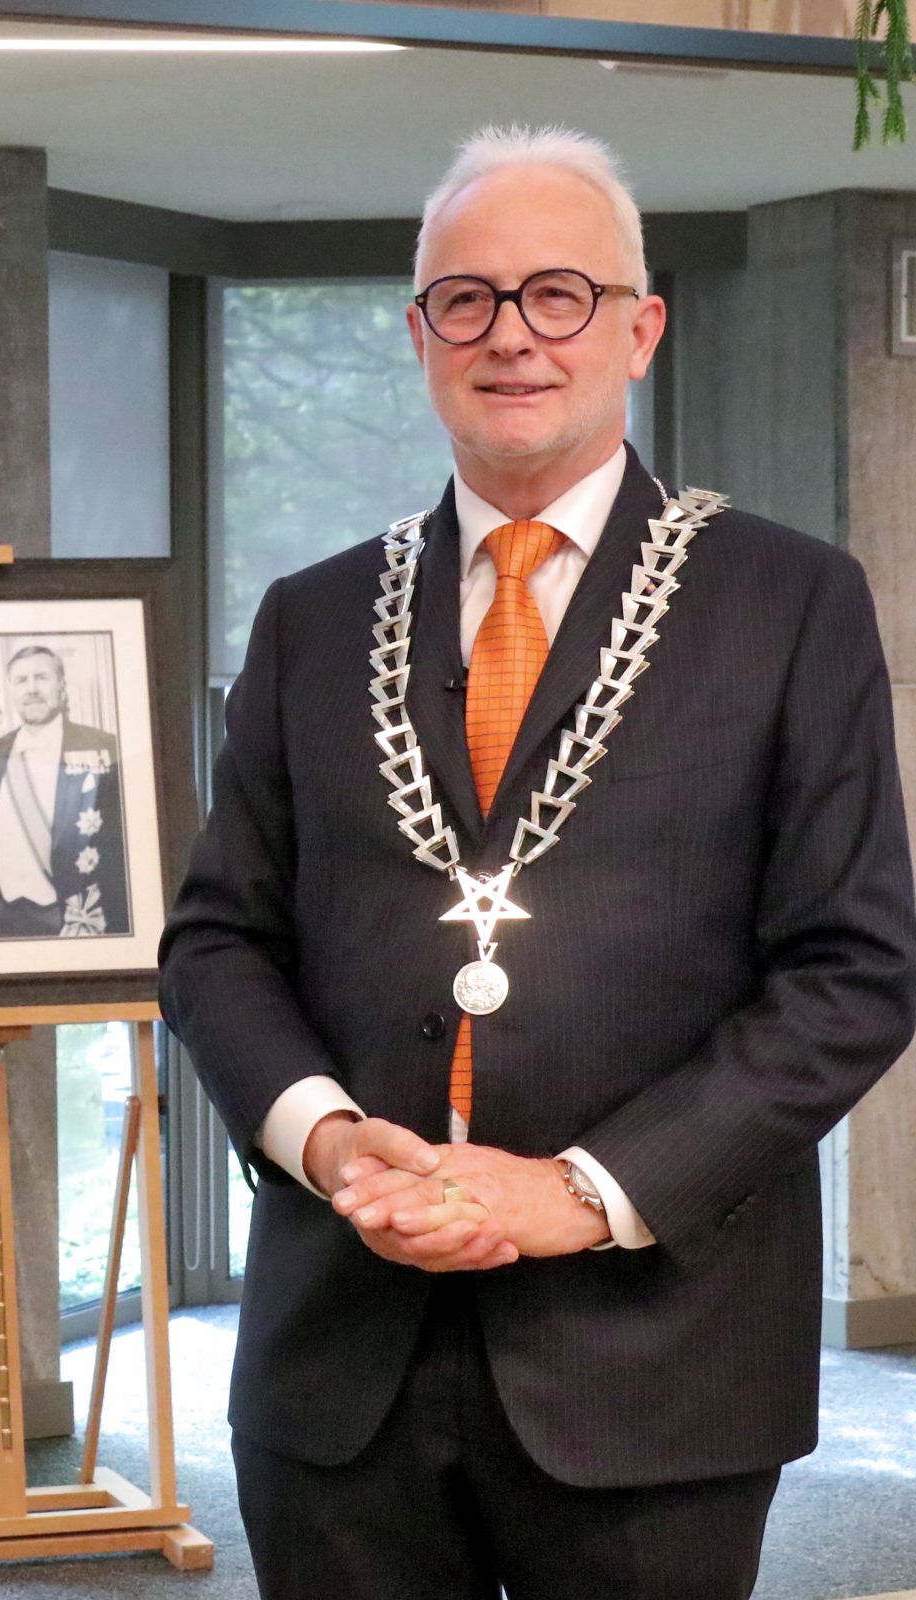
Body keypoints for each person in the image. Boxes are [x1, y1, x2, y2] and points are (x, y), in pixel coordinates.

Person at [160, 125, 916, 1600]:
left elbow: (854, 972)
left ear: (642, 327)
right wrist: (324, 1139)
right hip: (341, 1354)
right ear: (419, 334)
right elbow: (216, 944)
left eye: (559, 294)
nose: (512, 336)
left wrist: (575, 1192)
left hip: (656, 1357)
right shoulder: (310, 619)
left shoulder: (789, 601)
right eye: (469, 298)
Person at [0, 644, 127, 938]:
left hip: (71, 915)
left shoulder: (102, 745)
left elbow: (120, 842)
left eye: (42, 677)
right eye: (21, 680)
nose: (31, 689)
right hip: (7, 915)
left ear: (62, 686)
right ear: (11, 691)